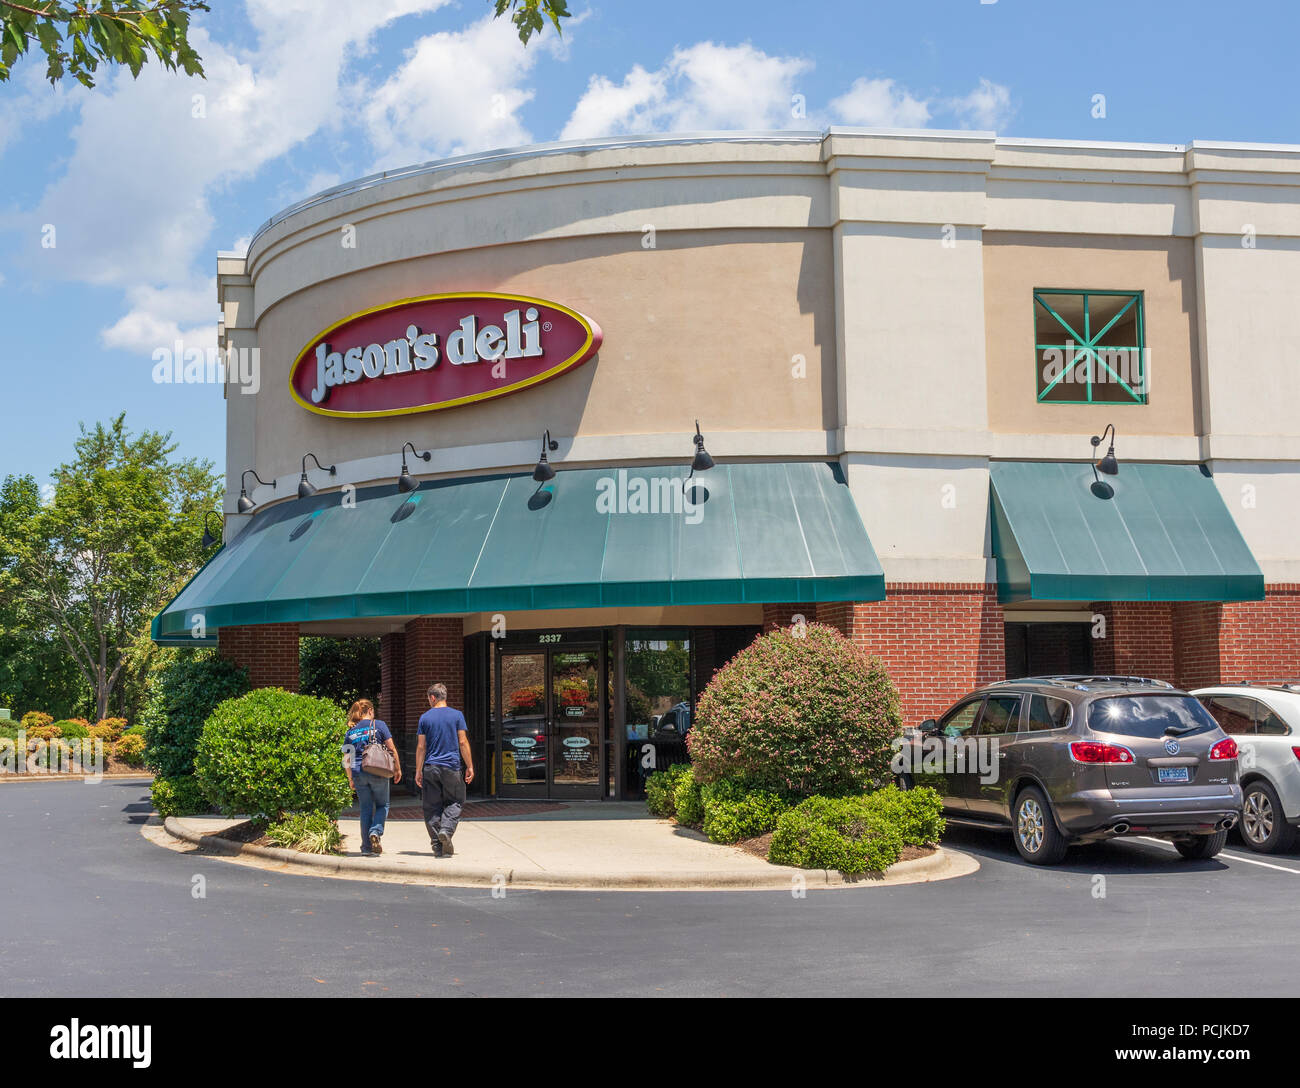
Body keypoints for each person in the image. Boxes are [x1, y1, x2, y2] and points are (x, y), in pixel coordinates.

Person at [415, 683, 474, 857]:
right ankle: (446, 831)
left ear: (433, 698)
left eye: (428, 698)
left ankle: (437, 845)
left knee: (431, 807)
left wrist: (418, 770)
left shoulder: (424, 718)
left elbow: (421, 747)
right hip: (451, 767)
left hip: (431, 767)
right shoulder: (457, 715)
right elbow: (462, 742)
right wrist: (470, 765)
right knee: (456, 801)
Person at [342, 699, 401, 856]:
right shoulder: (379, 725)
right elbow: (392, 748)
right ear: (369, 710)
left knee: (366, 809)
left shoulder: (350, 732)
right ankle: (375, 831)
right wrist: (397, 769)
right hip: (378, 770)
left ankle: (366, 849)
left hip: (358, 773)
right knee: (383, 805)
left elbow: (346, 758)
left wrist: (350, 778)